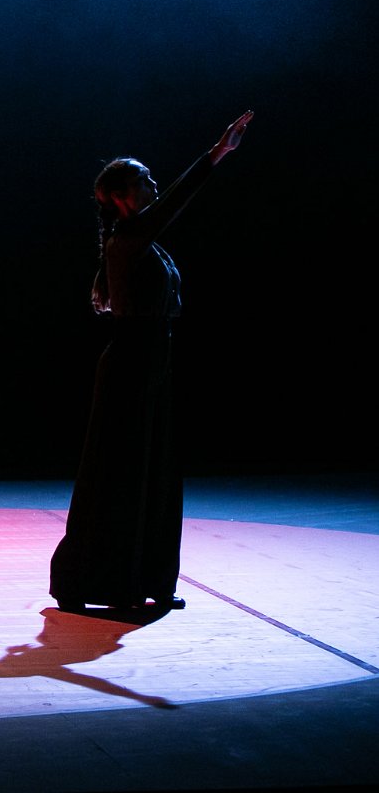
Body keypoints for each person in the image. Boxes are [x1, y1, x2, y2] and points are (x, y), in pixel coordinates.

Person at [50, 110, 253, 612]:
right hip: (131, 364)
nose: (154, 185)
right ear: (123, 196)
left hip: (152, 360)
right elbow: (177, 200)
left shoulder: (140, 242)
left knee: (154, 474)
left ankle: (149, 580)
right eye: (145, 180)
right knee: (123, 475)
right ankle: (105, 582)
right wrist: (216, 154)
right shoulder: (128, 240)